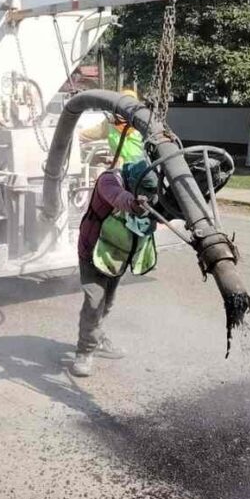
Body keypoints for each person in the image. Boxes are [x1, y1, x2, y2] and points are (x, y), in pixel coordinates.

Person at [71, 120, 151, 378]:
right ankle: (84, 351)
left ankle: (98, 335)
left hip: (117, 251)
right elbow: (119, 198)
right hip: (93, 249)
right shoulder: (109, 180)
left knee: (107, 302)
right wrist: (135, 204)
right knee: (94, 301)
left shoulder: (140, 181)